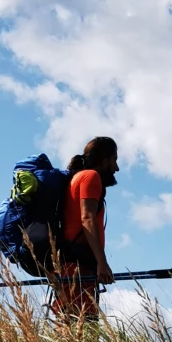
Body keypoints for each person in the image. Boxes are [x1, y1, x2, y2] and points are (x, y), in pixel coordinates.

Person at [52, 136, 120, 322]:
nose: (116, 168)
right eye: (114, 160)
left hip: (70, 265)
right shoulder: (91, 176)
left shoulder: (77, 177)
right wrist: (102, 262)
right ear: (104, 159)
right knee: (83, 327)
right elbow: (87, 218)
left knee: (69, 326)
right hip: (78, 266)